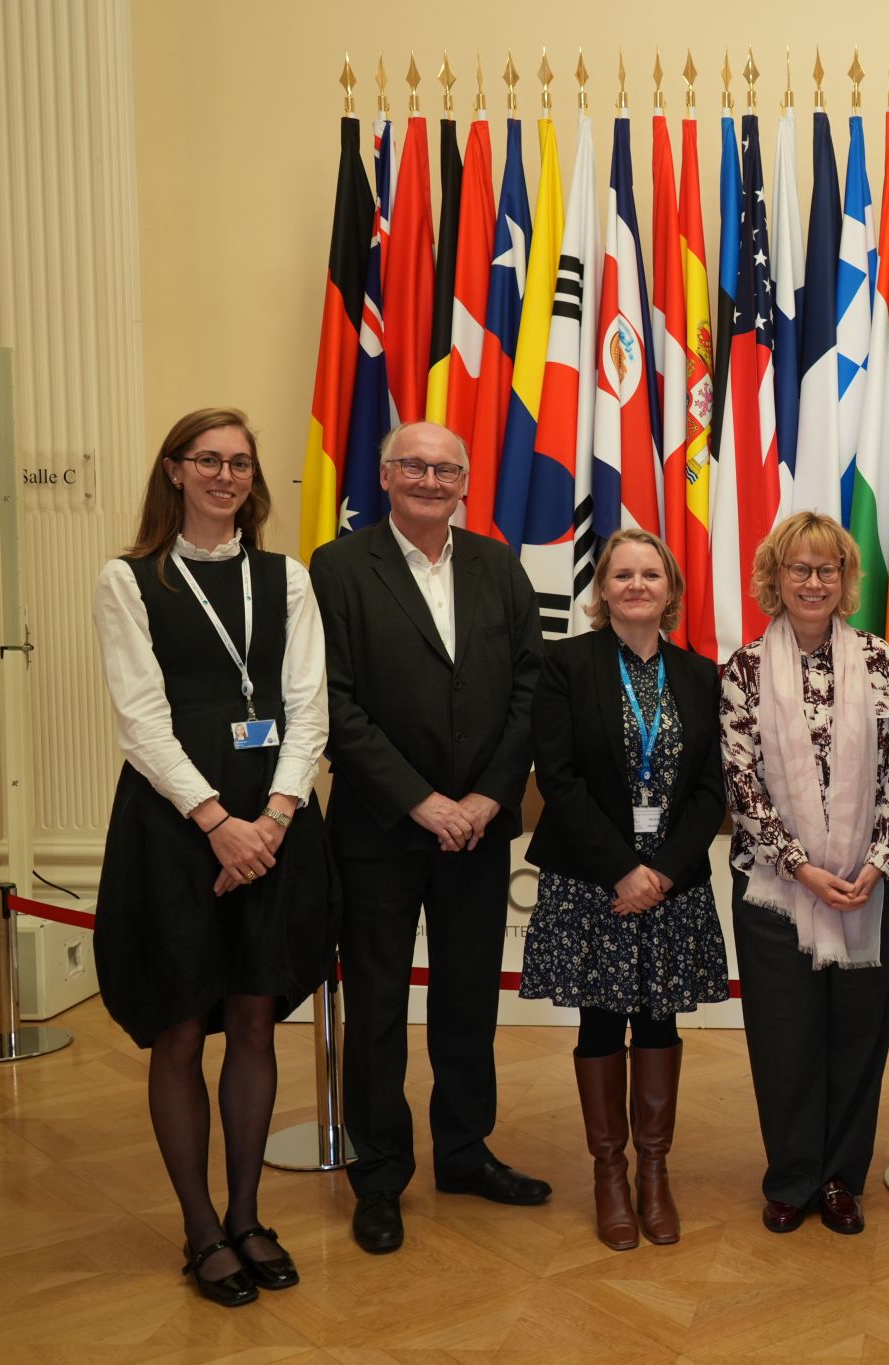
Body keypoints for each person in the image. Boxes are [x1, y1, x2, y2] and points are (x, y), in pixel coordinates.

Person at [93, 407, 337, 1306]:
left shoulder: (289, 578)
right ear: (173, 471)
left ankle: (246, 1214)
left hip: (272, 822)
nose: (225, 475)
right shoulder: (130, 580)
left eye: (239, 463)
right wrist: (215, 821)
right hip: (175, 828)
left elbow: (307, 704)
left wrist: (270, 818)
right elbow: (139, 718)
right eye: (208, 460)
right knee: (182, 1023)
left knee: (250, 1015)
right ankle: (199, 1229)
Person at [308, 421, 548, 1256]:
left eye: (447, 467)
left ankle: (463, 1150)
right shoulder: (338, 569)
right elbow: (334, 703)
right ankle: (378, 1174)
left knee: (467, 999)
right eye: (414, 464)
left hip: (478, 831)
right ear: (384, 475)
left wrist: (485, 797)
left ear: (466, 482)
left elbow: (529, 689)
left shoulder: (498, 564)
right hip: (380, 828)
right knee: (375, 1007)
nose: (430, 478)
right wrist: (422, 801)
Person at [519, 528, 728, 1251]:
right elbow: (559, 778)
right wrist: (623, 869)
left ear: (670, 590)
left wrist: (663, 869)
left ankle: (654, 1175)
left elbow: (710, 788)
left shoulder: (701, 674)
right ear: (601, 589)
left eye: (650, 574)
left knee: (660, 1021)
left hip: (671, 881)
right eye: (622, 574)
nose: (637, 585)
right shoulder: (565, 663)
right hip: (593, 879)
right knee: (603, 1023)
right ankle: (610, 1175)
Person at [719, 511, 889, 1241]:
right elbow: (742, 786)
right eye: (798, 568)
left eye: (826, 569)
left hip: (870, 885)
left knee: (858, 1037)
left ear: (845, 581)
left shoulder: (879, 659)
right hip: (777, 890)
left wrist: (873, 863)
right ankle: (792, 1175)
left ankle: (840, 1178)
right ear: (774, 578)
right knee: (784, 1038)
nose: (812, 581)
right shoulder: (742, 668)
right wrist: (801, 866)